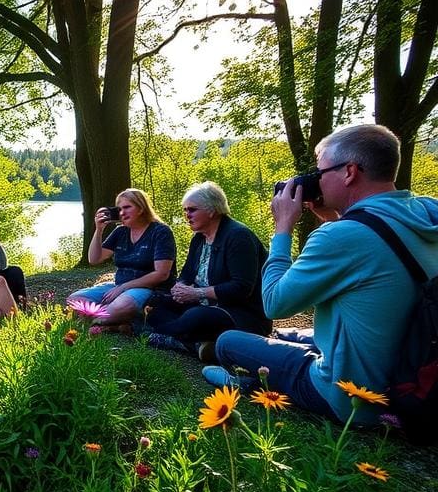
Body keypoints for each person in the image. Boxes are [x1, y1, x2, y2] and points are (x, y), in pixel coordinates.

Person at [206, 124, 438, 425]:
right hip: (415, 379)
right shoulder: (425, 214)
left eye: (321, 172)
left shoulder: (341, 236)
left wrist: (283, 230)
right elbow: (372, 262)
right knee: (290, 335)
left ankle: (248, 385)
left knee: (228, 342)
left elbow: (275, 303)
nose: (317, 181)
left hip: (353, 398)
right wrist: (335, 219)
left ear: (350, 172)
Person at [146, 181, 271, 360]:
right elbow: (187, 274)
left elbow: (242, 288)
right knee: (156, 304)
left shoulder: (238, 237)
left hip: (240, 313)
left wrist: (197, 293)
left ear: (212, 210)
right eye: (185, 210)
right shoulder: (199, 238)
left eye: (192, 210)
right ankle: (196, 345)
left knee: (196, 317)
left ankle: (163, 335)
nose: (187, 215)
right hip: (203, 304)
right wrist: (179, 288)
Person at [66, 188, 176, 328]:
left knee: (123, 305)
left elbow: (161, 274)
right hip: (119, 286)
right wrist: (99, 230)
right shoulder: (121, 231)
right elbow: (94, 259)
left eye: (127, 207)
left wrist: (124, 287)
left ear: (141, 208)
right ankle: (117, 321)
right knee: (74, 299)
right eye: (119, 209)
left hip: (149, 288)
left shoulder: (160, 232)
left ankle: (96, 321)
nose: (122, 213)